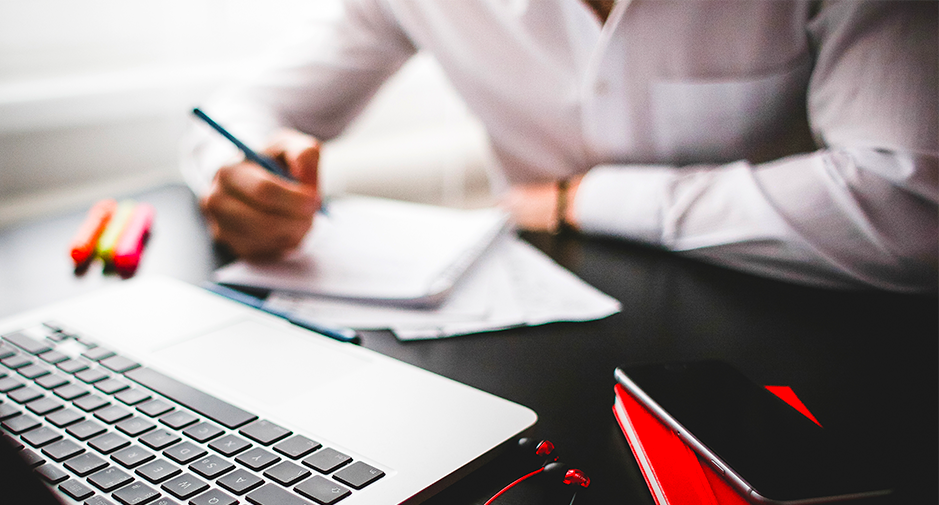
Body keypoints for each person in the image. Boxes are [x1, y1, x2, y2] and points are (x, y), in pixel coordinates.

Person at [182, 0, 939, 293]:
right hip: (537, 327)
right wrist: (237, 173)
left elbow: (908, 206)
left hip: (795, 321)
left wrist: (587, 198)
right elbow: (240, 109)